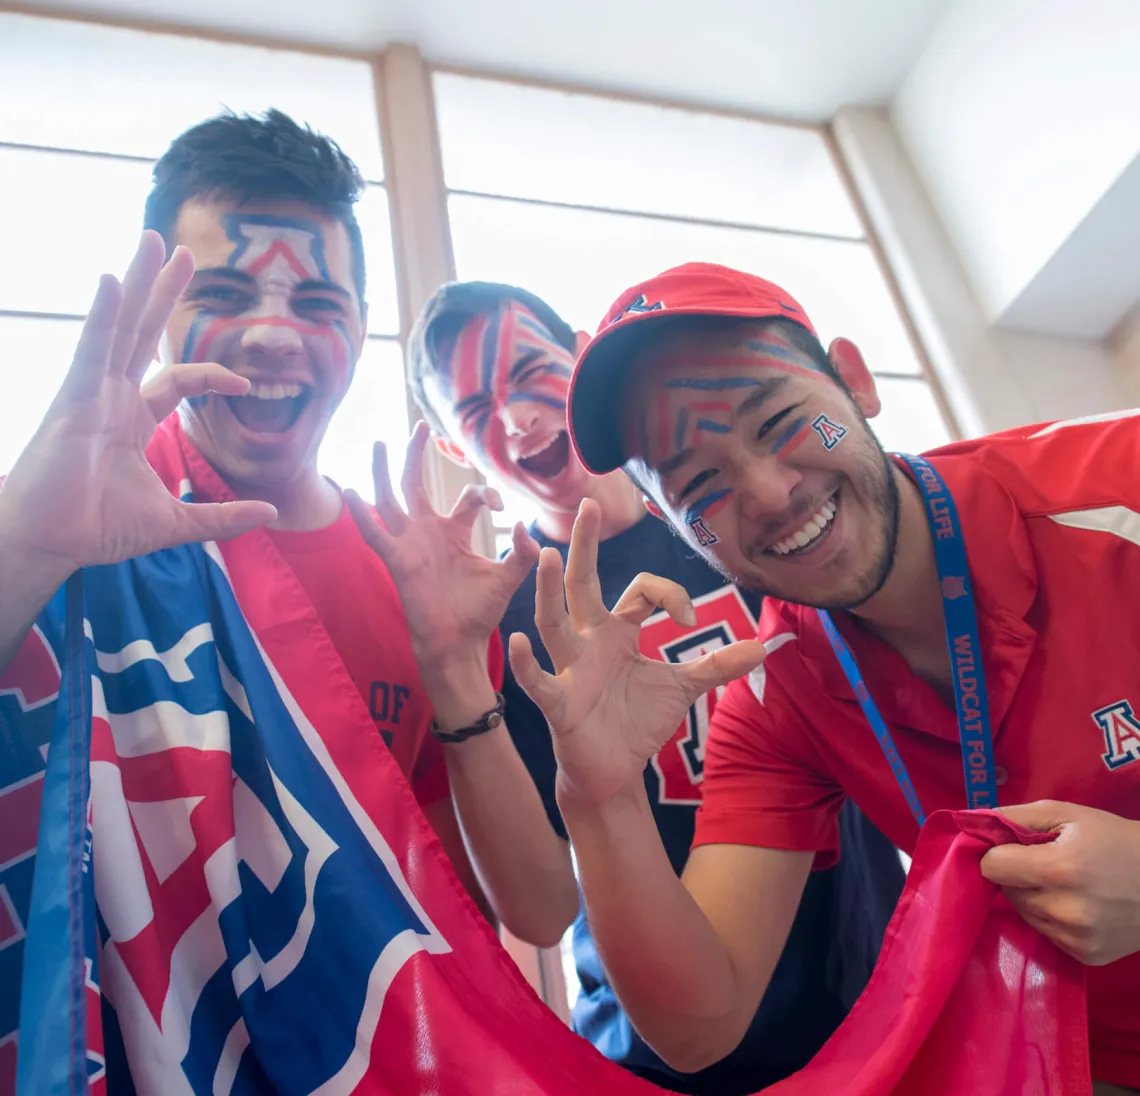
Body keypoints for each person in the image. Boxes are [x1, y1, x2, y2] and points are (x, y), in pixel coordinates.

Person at [0, 110, 546, 1084]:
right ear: (159, 310)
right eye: (220, 292)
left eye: (320, 303)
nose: (270, 336)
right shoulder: (66, 521)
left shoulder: (413, 572)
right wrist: (25, 544)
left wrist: (460, 672)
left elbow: (527, 910)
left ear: (361, 327)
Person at [507, 261, 1140, 1095]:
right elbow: (699, 1025)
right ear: (674, 526)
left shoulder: (1116, 491)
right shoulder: (777, 691)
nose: (767, 494)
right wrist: (600, 792)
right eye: (701, 485)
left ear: (854, 381)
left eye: (779, 422)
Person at [405, 280, 905, 1094]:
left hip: (873, 987)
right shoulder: (505, 623)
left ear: (577, 352)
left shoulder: (741, 516)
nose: (518, 419)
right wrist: (451, 669)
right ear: (455, 449)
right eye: (473, 410)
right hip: (663, 1051)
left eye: (531, 369)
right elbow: (536, 912)